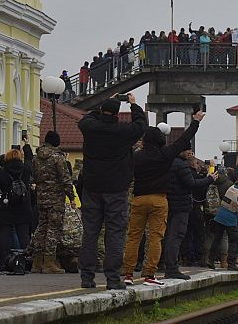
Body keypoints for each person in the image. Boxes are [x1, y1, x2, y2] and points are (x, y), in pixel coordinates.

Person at [122, 112, 204, 286]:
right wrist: (195, 122)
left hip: (139, 198)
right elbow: (183, 140)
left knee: (133, 236)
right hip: (159, 200)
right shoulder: (166, 155)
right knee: (155, 237)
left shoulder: (136, 157)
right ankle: (149, 274)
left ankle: (128, 273)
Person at [78, 94, 147, 290]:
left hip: (92, 187)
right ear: (117, 113)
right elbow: (141, 125)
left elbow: (86, 119)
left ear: (101, 110)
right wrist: (134, 104)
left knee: (90, 233)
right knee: (115, 233)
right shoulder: (123, 131)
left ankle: (87, 277)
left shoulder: (90, 128)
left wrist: (104, 103)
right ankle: (113, 279)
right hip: (116, 189)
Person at [162, 144, 216, 280]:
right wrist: (210, 179)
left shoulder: (168, 162)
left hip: (168, 203)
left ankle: (164, 264)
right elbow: (192, 184)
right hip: (180, 205)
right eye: (188, 150)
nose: (190, 153)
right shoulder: (181, 165)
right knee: (176, 236)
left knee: (169, 236)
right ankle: (172, 268)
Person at [27, 131, 76, 274]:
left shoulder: (36, 158)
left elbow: (34, 177)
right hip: (55, 200)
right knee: (53, 230)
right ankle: (49, 262)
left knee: (41, 228)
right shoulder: (58, 158)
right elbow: (65, 179)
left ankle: (36, 263)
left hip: (41, 198)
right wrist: (71, 197)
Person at [0, 148, 33, 270]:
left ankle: (5, 261)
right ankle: (26, 262)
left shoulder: (2, 172)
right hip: (23, 206)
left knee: (5, 234)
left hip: (6, 206)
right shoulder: (26, 170)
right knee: (24, 235)